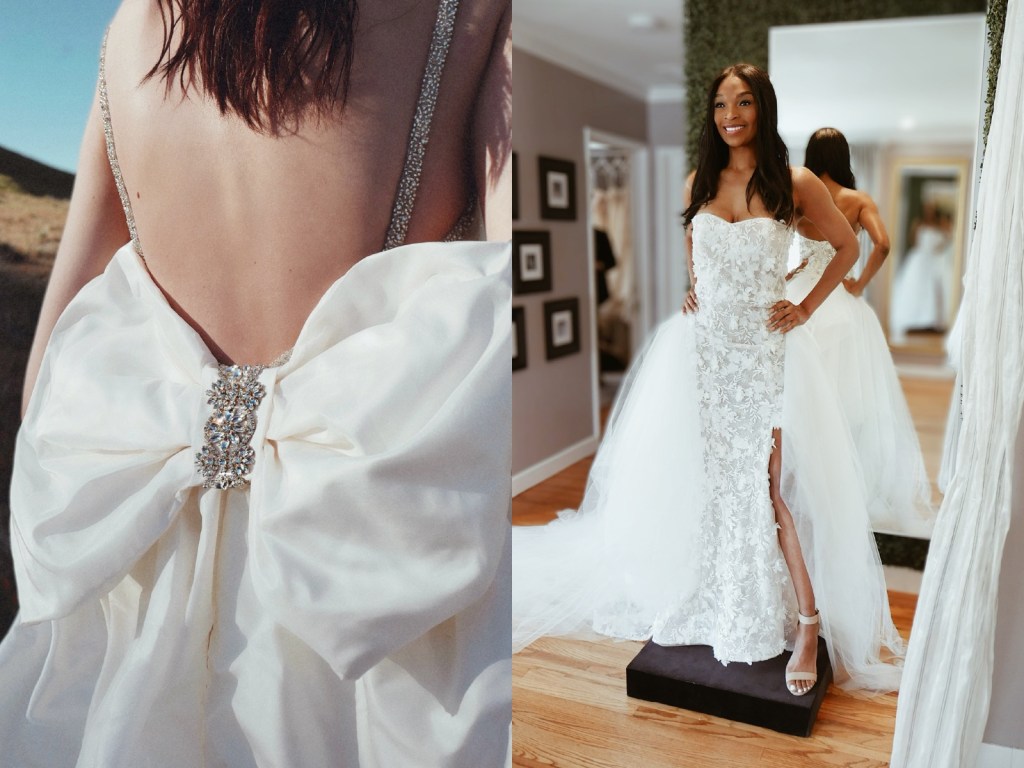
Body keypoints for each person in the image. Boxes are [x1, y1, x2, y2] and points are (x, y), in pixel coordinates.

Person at [0, 0, 512, 766]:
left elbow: (51, 355)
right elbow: (516, 319)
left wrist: (68, 519)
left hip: (143, 567)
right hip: (371, 558)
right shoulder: (468, 14)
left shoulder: (130, 27)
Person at [513, 63, 903, 698]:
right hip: (704, 356)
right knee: (714, 484)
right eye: (722, 103)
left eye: (744, 102)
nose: (731, 114)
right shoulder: (700, 178)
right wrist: (697, 288)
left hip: (768, 356)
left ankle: (808, 621)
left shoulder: (794, 181)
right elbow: (697, 241)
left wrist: (803, 306)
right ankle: (725, 600)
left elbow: (848, 248)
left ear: (762, 109)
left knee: (771, 490)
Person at [787, 127, 934, 534]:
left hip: (800, 292)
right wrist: (858, 283)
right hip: (836, 302)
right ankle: (838, 484)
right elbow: (882, 244)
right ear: (844, 156)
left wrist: (792, 272)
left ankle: (797, 485)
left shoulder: (801, 193)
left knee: (798, 395)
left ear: (813, 156)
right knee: (846, 403)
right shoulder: (856, 200)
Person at [889, 201, 953, 340]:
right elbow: (913, 240)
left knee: (933, 291)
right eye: (926, 209)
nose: (928, 211)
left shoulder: (940, 225)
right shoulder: (918, 224)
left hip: (934, 262)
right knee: (916, 289)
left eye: (931, 209)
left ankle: (932, 320)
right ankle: (915, 319)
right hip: (919, 261)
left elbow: (949, 237)